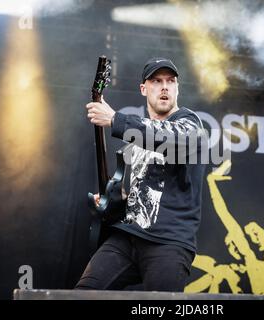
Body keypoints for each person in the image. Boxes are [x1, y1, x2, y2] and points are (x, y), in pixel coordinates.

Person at [75, 57, 207, 292]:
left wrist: (116, 120)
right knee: (83, 294)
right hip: (126, 236)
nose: (164, 86)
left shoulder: (190, 124)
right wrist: (109, 198)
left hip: (168, 242)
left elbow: (169, 138)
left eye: (170, 81)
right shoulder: (133, 145)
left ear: (177, 88)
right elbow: (130, 192)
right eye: (156, 81)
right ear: (143, 89)